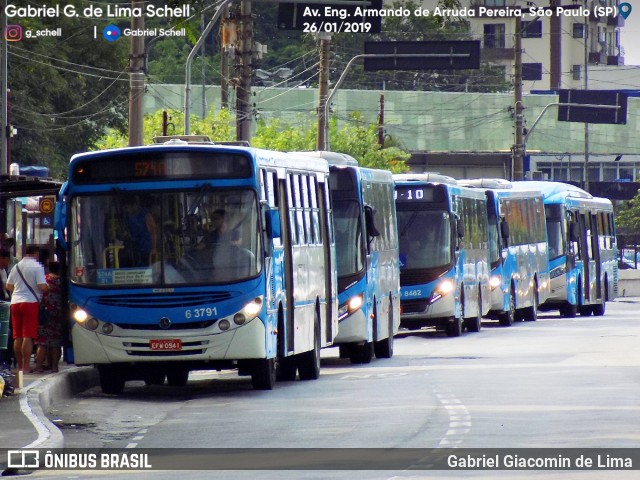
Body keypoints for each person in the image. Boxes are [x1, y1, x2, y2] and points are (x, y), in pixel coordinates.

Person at [5, 245, 49, 373]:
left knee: (17, 336)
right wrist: (47, 287)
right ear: (35, 253)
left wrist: (19, 291)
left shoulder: (16, 266)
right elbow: (42, 287)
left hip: (15, 303)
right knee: (28, 336)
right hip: (30, 302)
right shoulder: (37, 267)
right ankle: (26, 366)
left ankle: (19, 366)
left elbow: (8, 286)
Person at [34, 261, 64, 373]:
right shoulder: (62, 281)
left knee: (42, 341)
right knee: (56, 341)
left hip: (44, 312)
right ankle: (55, 367)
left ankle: (38, 367)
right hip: (58, 313)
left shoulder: (44, 279)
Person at [122, 196, 158, 267]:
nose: (126, 210)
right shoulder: (127, 217)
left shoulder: (146, 216)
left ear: (134, 205)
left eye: (127, 208)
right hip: (133, 249)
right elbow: (127, 231)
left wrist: (154, 248)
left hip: (146, 248)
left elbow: (153, 232)